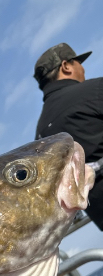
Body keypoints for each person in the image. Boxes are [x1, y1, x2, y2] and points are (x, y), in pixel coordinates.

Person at [34, 43, 103, 229]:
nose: (83, 68)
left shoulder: (40, 135)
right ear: (65, 66)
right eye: (78, 62)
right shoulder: (95, 90)